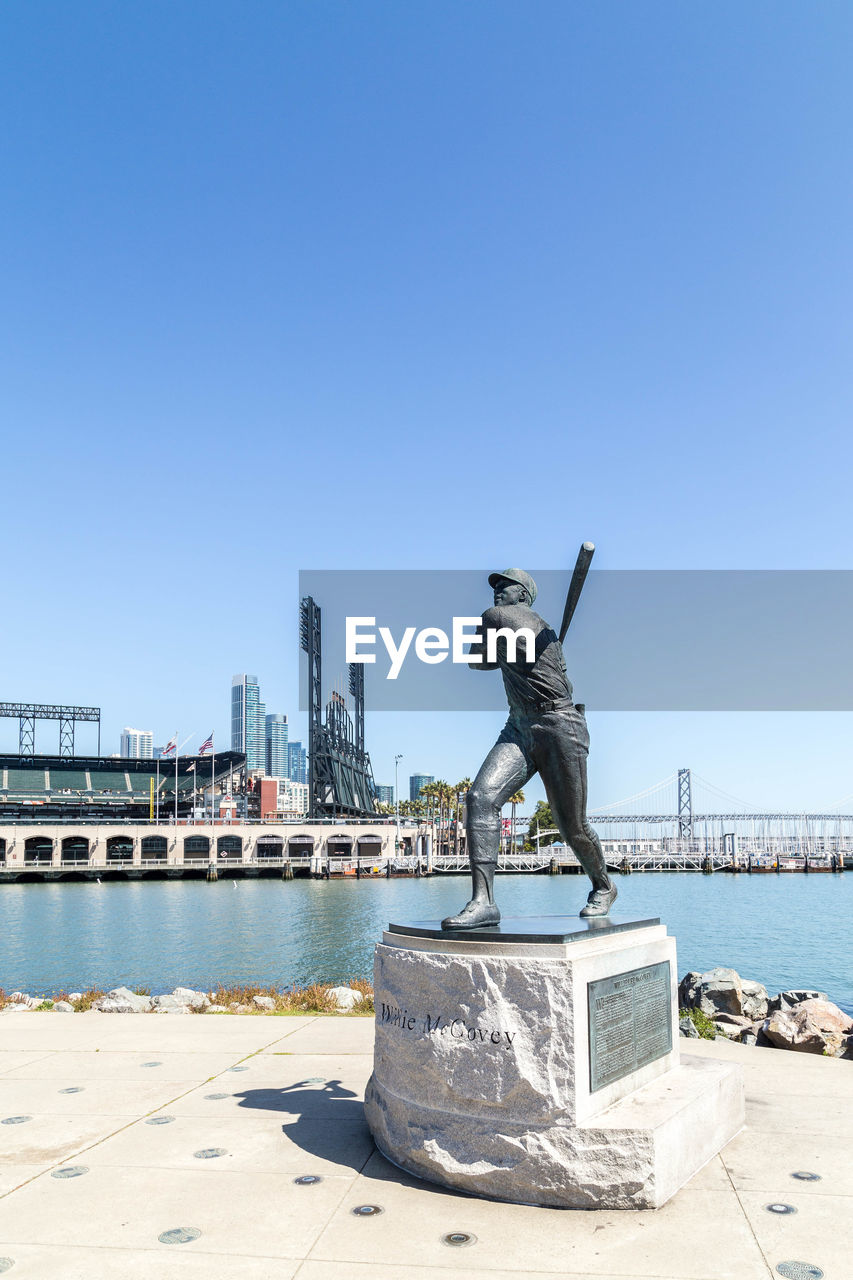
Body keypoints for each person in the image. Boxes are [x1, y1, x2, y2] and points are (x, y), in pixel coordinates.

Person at [441, 568, 617, 930]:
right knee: (480, 799)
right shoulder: (534, 633)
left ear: (523, 596)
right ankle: (483, 902)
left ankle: (604, 885)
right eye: (496, 587)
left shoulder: (504, 619)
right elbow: (483, 661)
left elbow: (478, 661)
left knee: (573, 827)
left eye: (506, 586)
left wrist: (499, 644)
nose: (497, 592)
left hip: (560, 726)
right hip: (520, 725)